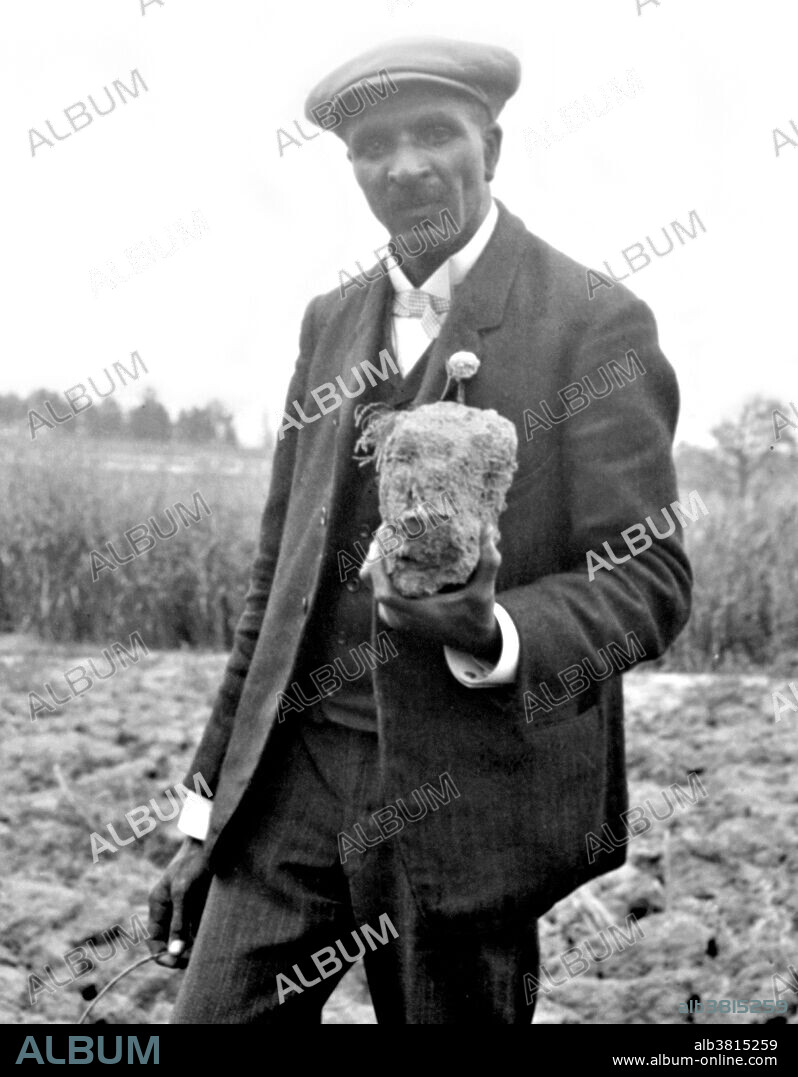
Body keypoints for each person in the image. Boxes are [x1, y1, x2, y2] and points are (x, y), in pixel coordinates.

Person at [147, 36, 692, 1024]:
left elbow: (648, 581)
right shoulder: (329, 321)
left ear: (491, 144)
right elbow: (277, 582)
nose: (405, 166)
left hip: (464, 797)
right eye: (373, 146)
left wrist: (493, 630)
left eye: (434, 134)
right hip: (291, 790)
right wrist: (203, 815)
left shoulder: (593, 322)